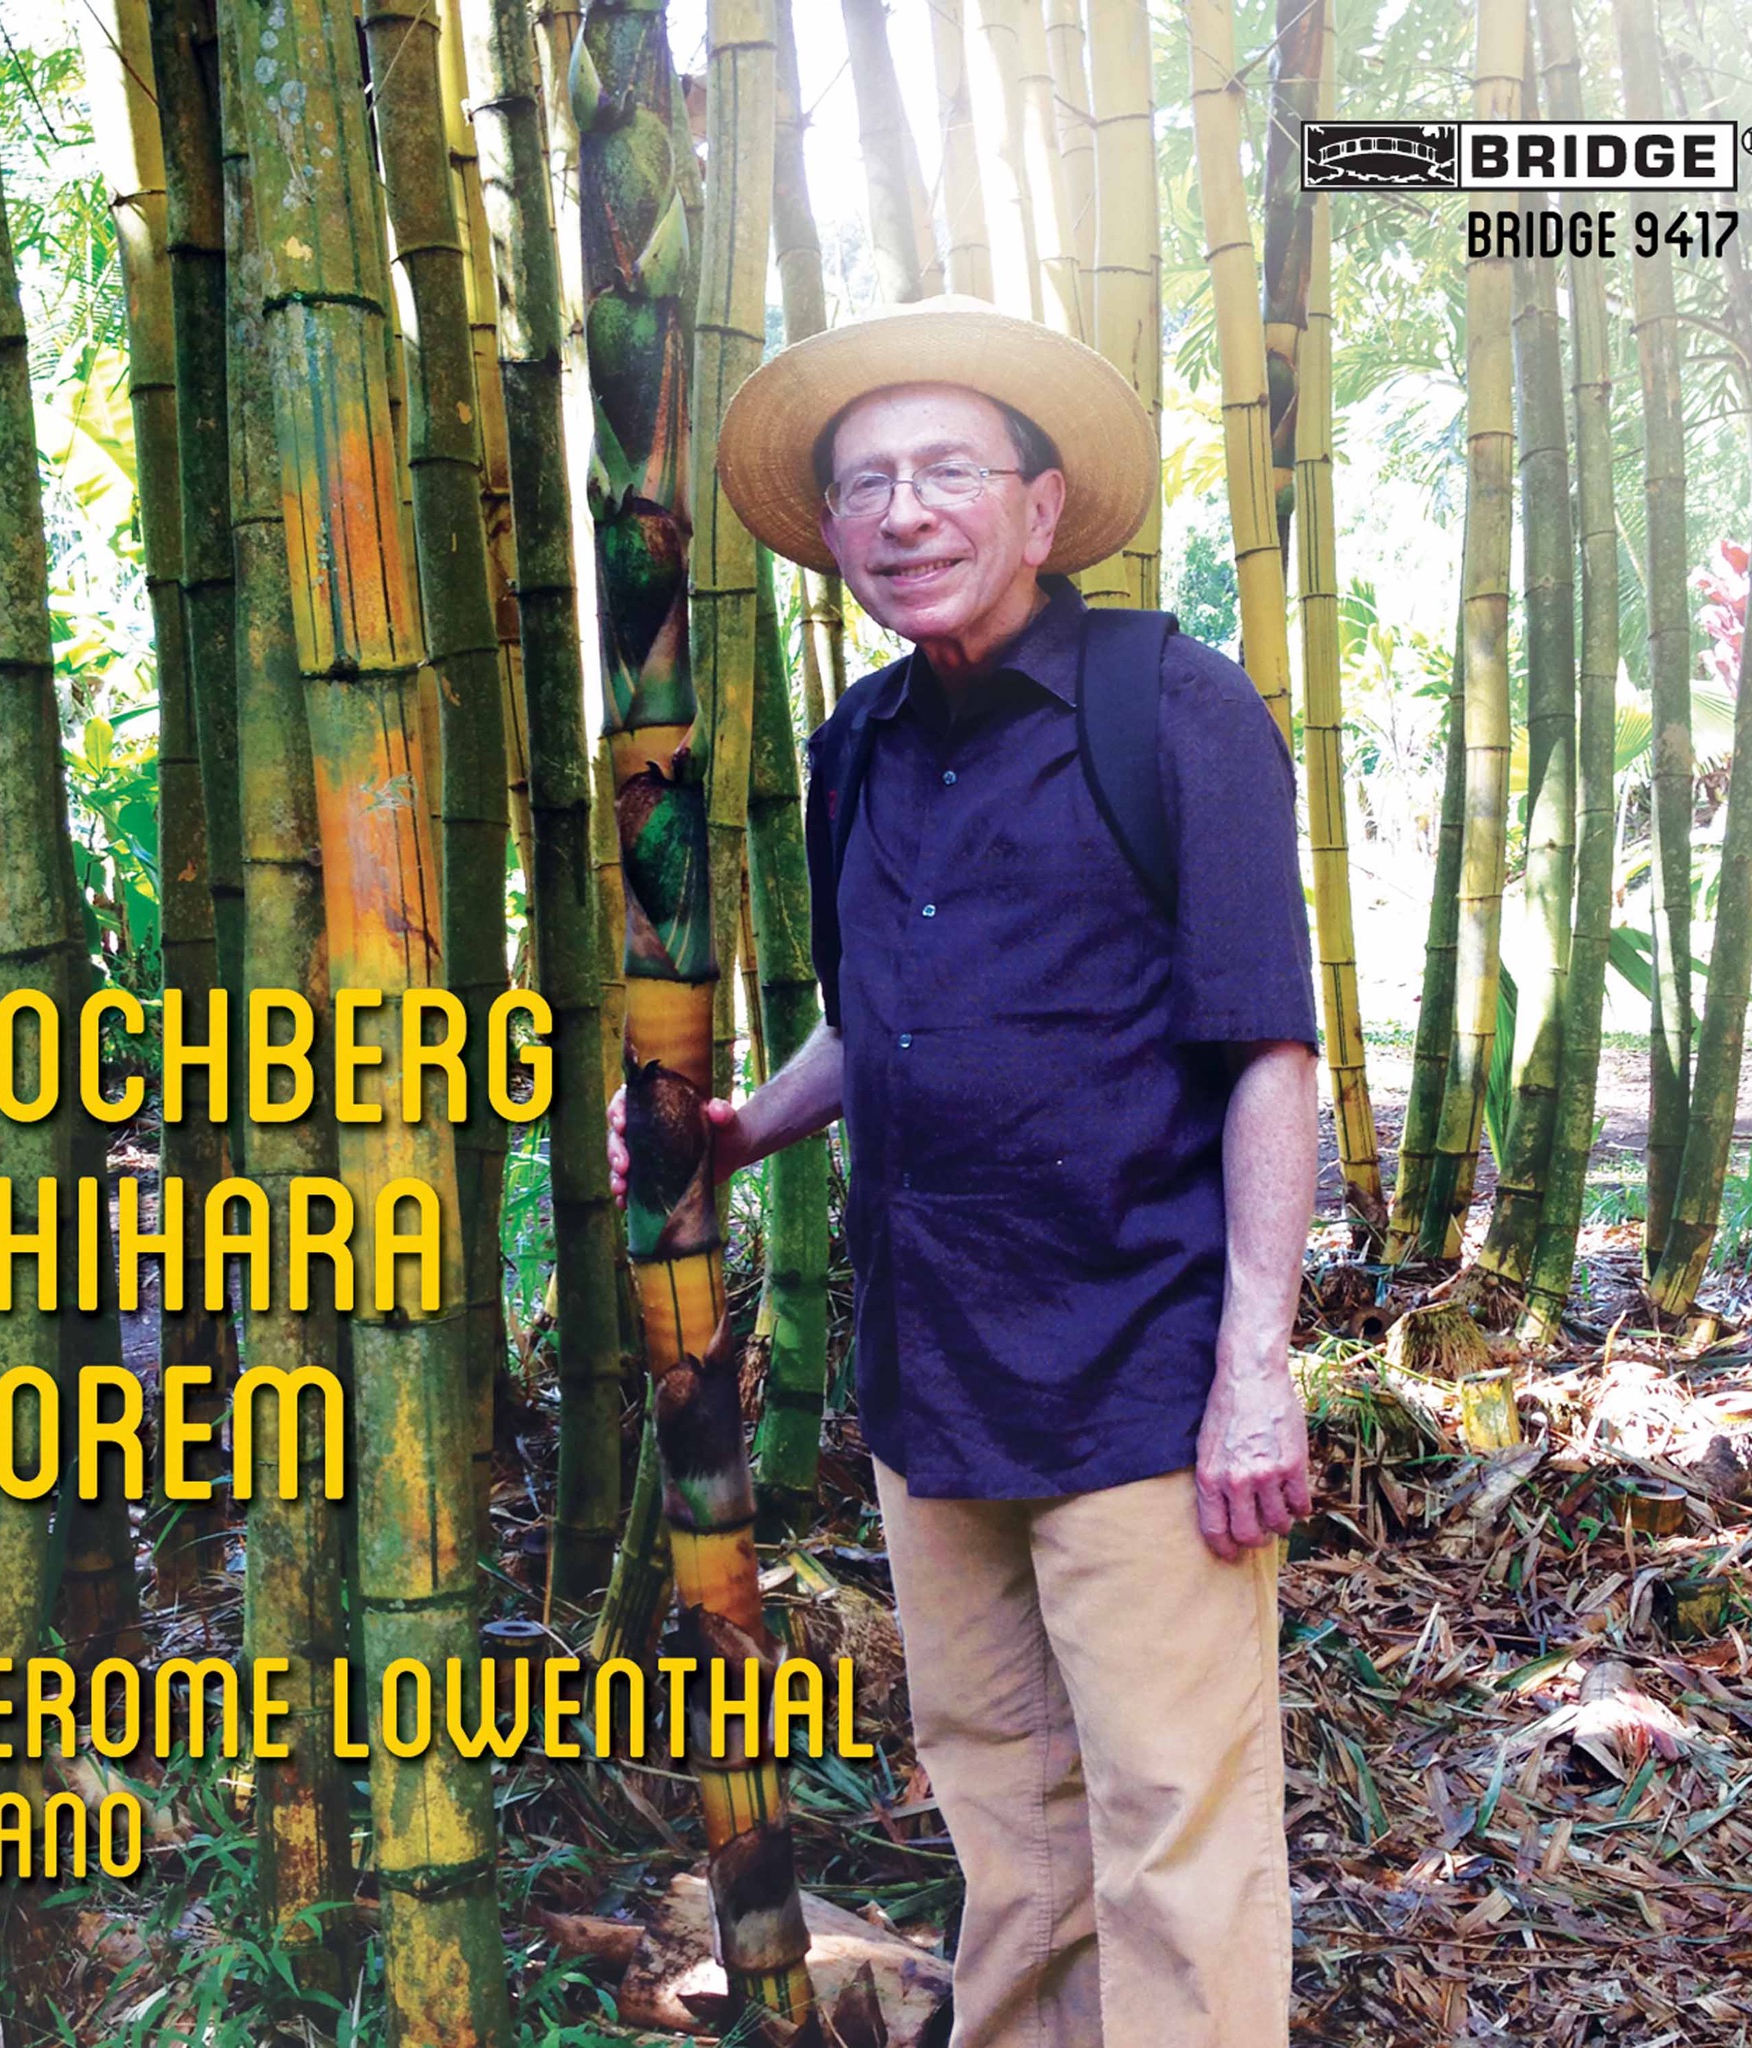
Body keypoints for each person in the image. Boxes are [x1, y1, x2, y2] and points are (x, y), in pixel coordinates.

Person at [610, 295, 1318, 2048]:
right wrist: (741, 1128)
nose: (903, 514)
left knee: (1174, 1831)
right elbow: (883, 1021)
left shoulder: (1176, 708)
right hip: (934, 1372)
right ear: (833, 530)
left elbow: (1268, 1051)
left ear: (1042, 503)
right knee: (1008, 1818)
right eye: (865, 486)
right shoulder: (854, 744)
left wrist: (1256, 1365)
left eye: (947, 473)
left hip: (1141, 1373)